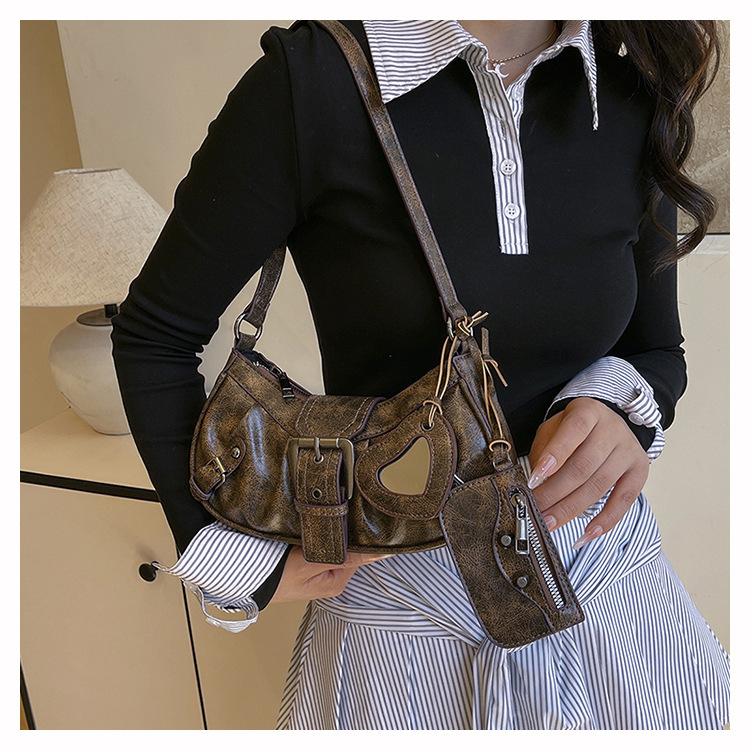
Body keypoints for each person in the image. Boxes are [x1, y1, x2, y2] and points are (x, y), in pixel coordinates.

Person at [111, 20, 730, 730]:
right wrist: (228, 552)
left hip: (613, 610)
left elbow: (656, 350)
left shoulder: (633, 84)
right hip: (405, 631)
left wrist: (619, 411)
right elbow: (155, 334)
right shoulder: (313, 81)